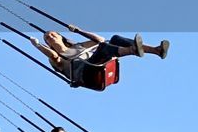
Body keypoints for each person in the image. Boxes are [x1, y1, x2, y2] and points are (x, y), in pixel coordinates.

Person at [31, 26, 169, 85]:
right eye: (47, 38)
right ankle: (133, 50)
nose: (50, 37)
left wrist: (79, 31)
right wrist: (38, 45)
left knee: (114, 39)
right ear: (47, 44)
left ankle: (156, 50)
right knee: (104, 48)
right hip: (85, 73)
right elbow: (54, 57)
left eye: (52, 34)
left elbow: (100, 39)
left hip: (96, 64)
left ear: (60, 36)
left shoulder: (77, 46)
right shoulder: (56, 56)